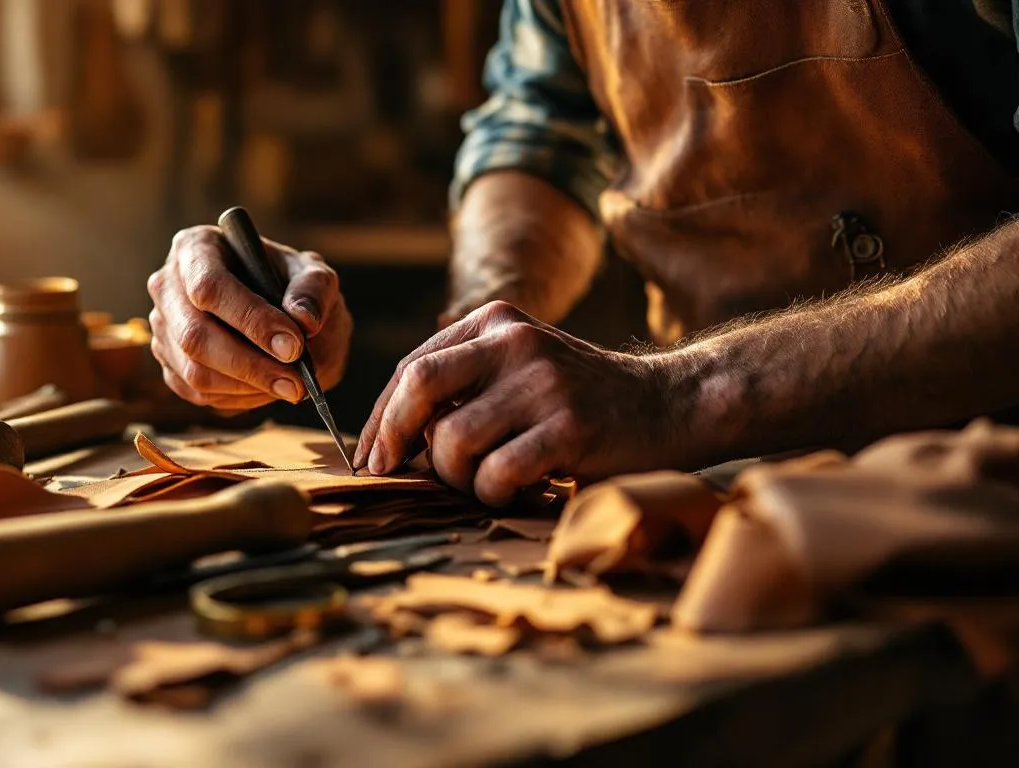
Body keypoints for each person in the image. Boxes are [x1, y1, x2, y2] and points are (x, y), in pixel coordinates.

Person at [148, 0, 1019, 505]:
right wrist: (474, 333)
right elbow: (538, 137)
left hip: (975, 495)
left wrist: (685, 393)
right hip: (706, 497)